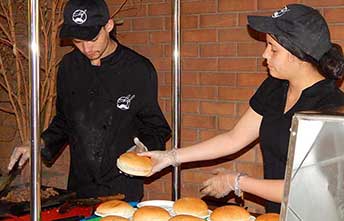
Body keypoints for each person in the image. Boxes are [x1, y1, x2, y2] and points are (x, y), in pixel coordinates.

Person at [139, 4, 344, 213]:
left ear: (298, 54)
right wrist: (169, 158)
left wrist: (237, 182)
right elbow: (234, 138)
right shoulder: (275, 87)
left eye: (273, 49)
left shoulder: (331, 109)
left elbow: (307, 188)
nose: (265, 55)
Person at [7, 0, 171, 202]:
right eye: (77, 41)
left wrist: (143, 147)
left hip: (121, 187)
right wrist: (36, 143)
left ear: (109, 26)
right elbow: (64, 121)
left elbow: (157, 128)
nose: (86, 48)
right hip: (79, 187)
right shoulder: (68, 67)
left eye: (92, 39)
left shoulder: (138, 69)